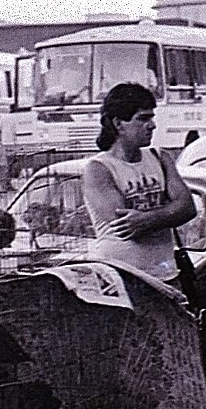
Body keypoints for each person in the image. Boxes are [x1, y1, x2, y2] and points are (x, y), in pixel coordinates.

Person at [79, 82, 196, 284]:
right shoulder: (99, 169)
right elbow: (127, 226)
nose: (152, 125)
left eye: (152, 117)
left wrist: (149, 219)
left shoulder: (160, 157)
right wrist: (169, 212)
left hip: (166, 275)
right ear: (118, 124)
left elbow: (188, 208)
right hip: (122, 280)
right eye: (142, 118)